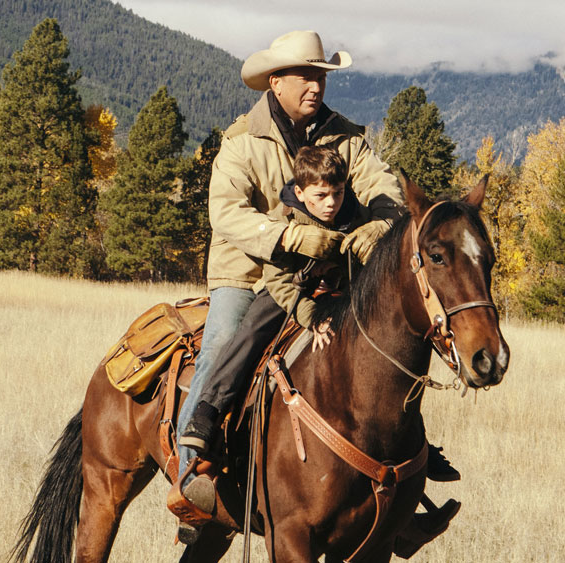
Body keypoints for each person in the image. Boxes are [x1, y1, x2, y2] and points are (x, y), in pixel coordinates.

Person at [167, 30, 459, 542]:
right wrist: (291, 237)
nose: (316, 84)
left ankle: (406, 478)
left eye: (321, 74)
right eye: (305, 74)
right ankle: (195, 474)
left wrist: (382, 221)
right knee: (225, 345)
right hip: (253, 273)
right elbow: (226, 213)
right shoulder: (242, 140)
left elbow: (380, 183)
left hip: (336, 272)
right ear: (275, 81)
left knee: (385, 347)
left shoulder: (345, 136)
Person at [180, 145, 364, 455]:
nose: (331, 203)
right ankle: (208, 410)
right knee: (250, 330)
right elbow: (279, 283)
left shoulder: (354, 217)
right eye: (321, 196)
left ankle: (416, 442)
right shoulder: (289, 224)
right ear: (301, 193)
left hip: (341, 292)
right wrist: (312, 316)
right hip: (290, 293)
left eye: (338, 193)